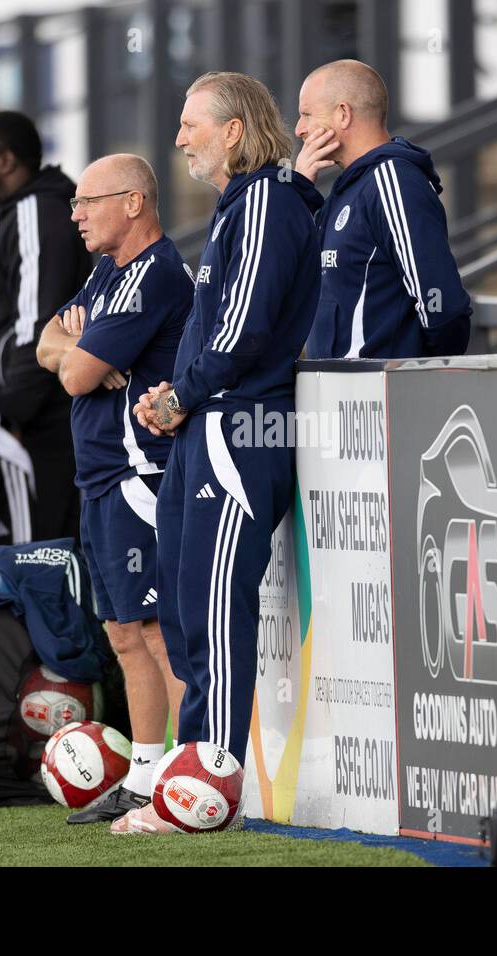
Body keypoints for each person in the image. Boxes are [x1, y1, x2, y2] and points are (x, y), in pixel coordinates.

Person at [120, 72, 323, 835]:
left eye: (190, 124)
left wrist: (180, 395)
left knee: (213, 611)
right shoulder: (249, 200)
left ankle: (212, 787)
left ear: (234, 129)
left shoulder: (267, 198)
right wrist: (177, 395)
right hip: (209, 426)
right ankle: (192, 774)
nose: (178, 139)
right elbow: (221, 330)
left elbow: (241, 331)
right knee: (181, 605)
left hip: (239, 430)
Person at [35, 153, 192, 823]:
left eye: (87, 202)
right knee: (124, 634)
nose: (75, 215)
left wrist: (80, 360)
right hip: (99, 477)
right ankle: (147, 774)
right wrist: (80, 353)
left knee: (158, 635)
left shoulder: (153, 276)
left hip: (140, 477)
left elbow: (69, 376)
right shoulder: (108, 274)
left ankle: (194, 781)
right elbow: (46, 345)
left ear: (132, 202)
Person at [0, 111, 92, 549]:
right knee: (22, 557)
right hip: (21, 423)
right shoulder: (19, 215)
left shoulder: (35, 212)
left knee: (32, 561)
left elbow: (38, 324)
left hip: (30, 427)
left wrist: (14, 412)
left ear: (7, 160)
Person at [294, 59, 472, 359]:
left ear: (343, 114)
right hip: (333, 398)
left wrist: (418, 375)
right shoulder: (343, 189)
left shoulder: (394, 181)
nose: (299, 129)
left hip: (381, 397)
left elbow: (443, 306)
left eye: (306, 115)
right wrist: (298, 195)